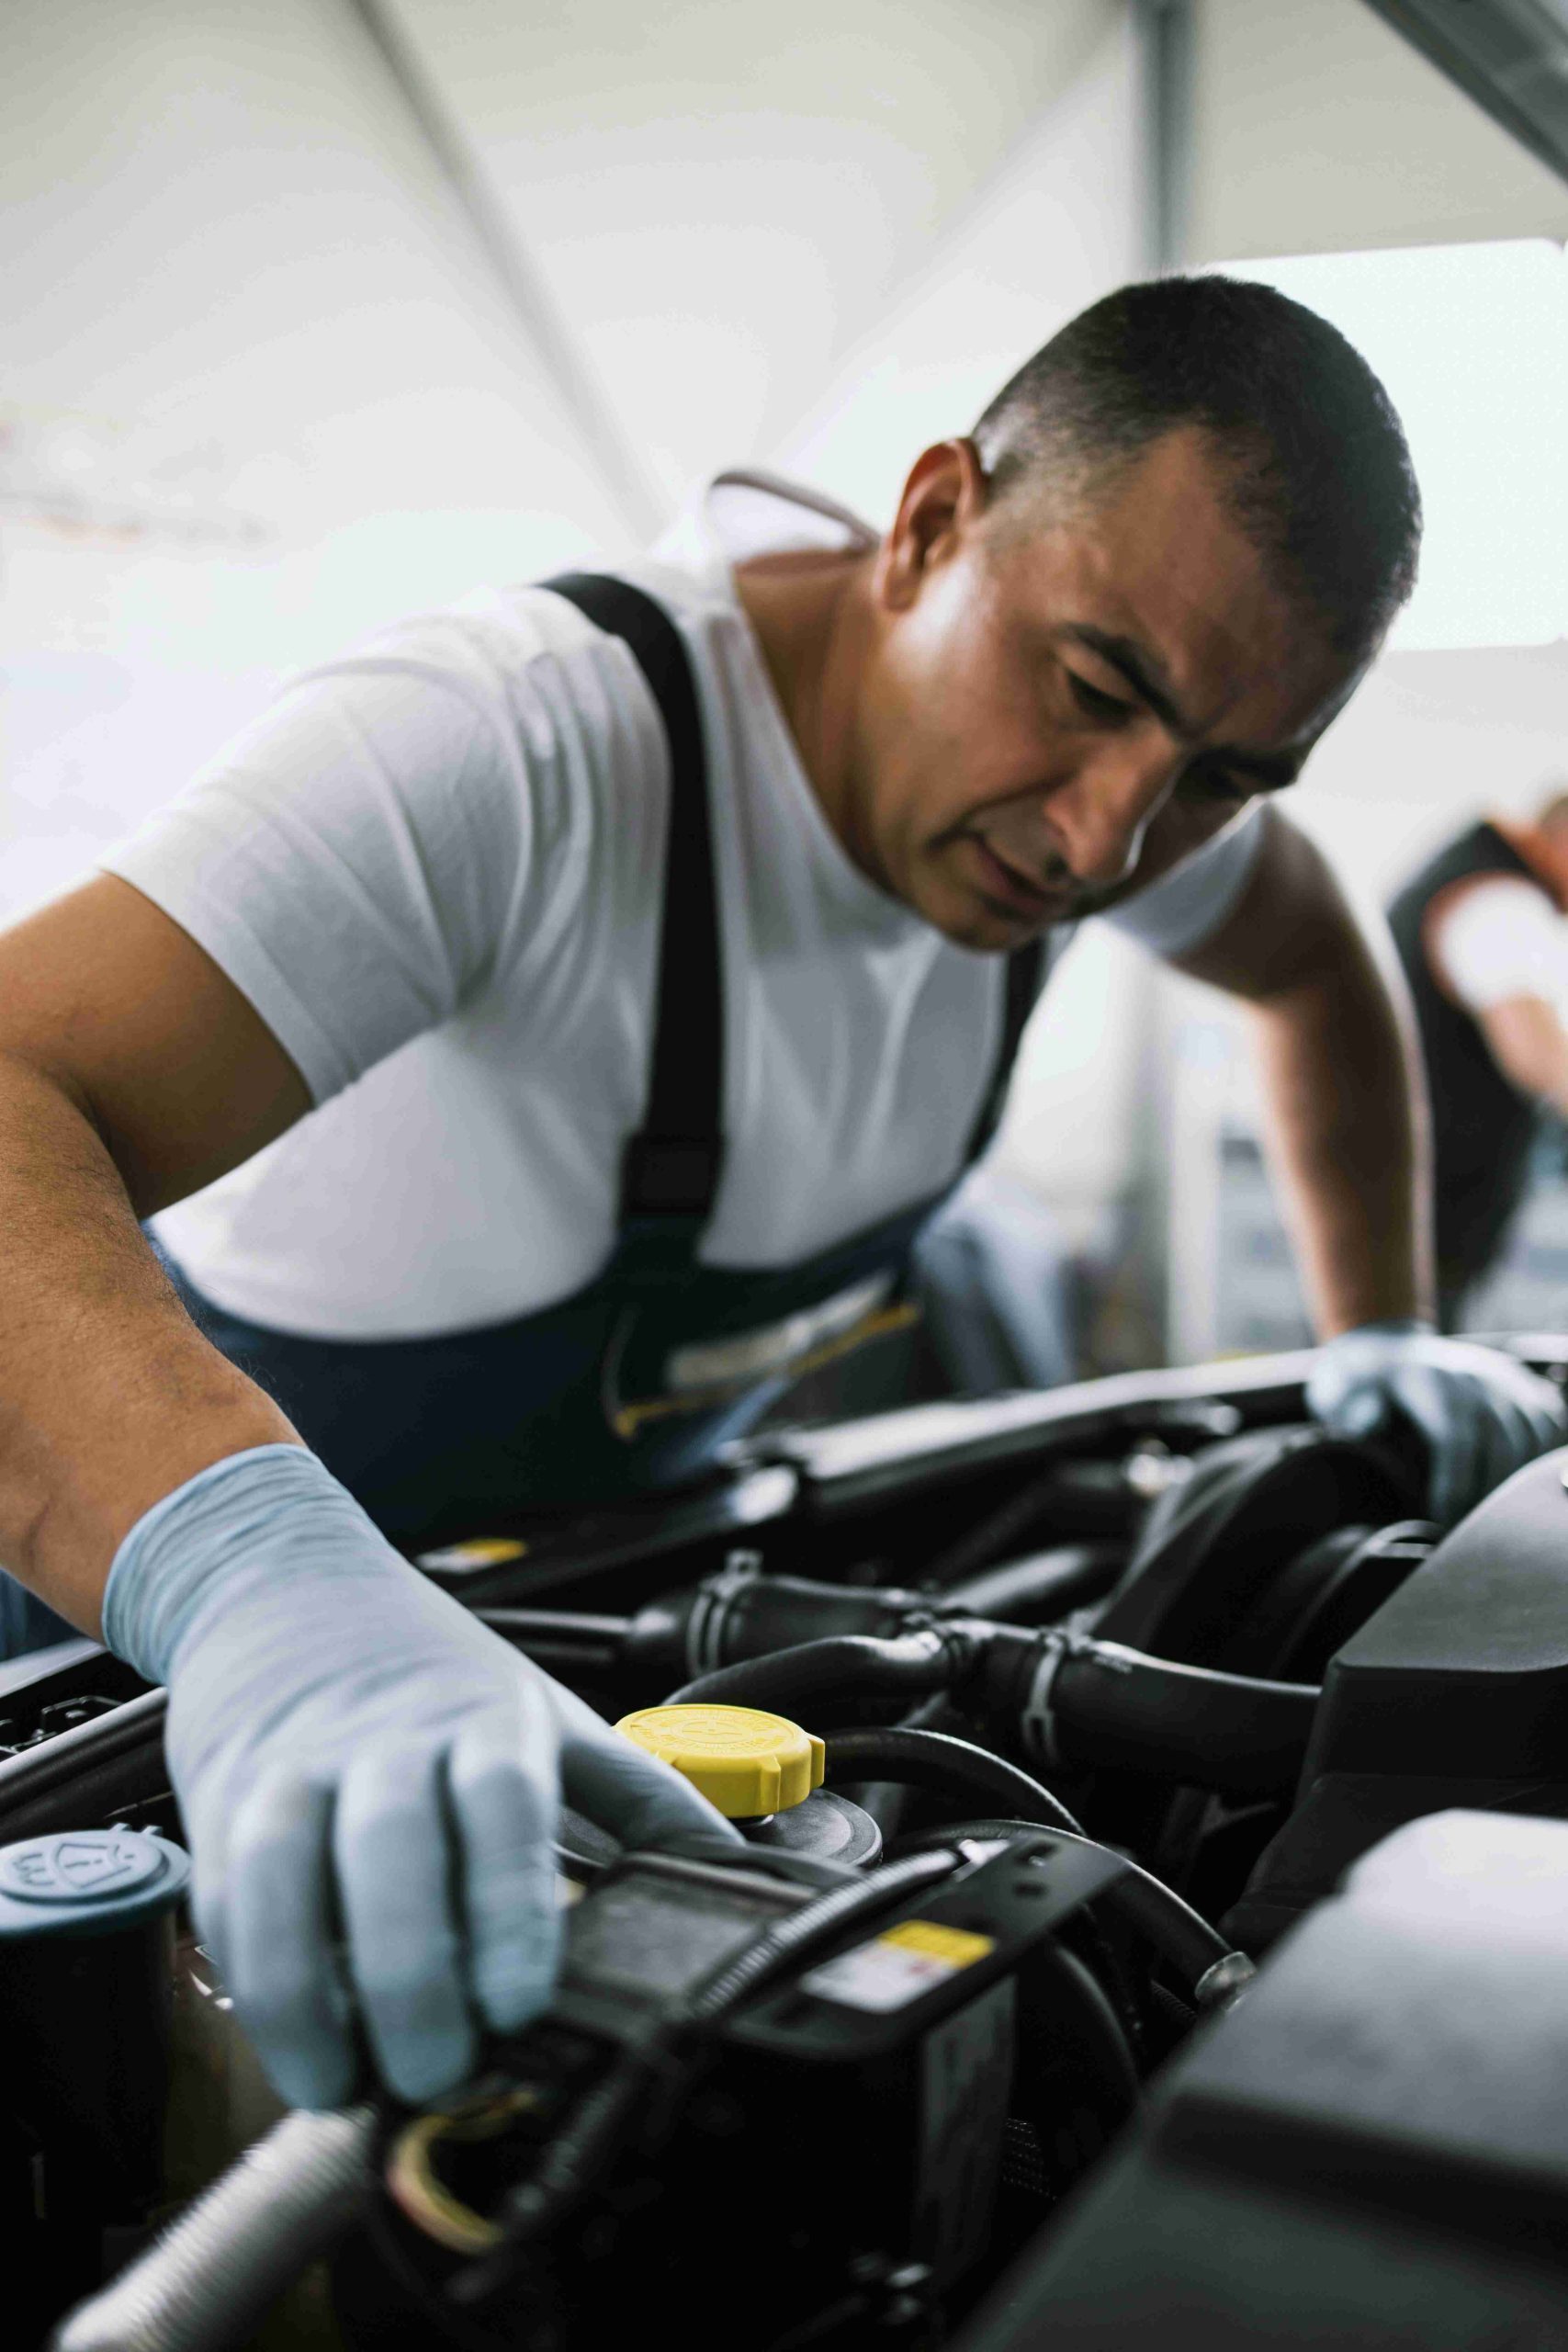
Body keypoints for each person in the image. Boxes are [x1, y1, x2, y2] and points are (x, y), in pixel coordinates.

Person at [0, 277, 1560, 2116]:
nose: (1106, 847)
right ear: (925, 523)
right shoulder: (527, 742)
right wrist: (247, 1571)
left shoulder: (1100, 778)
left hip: (627, 1652)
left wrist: (1373, 1320)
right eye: (1087, 693)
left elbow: (1313, 965)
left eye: (1219, 781)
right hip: (150, 1663)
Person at [1388, 786, 1568, 1329]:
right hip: (1419, 1233)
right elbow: (1540, 1057)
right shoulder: (1497, 902)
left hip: (1404, 1221)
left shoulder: (1473, 875)